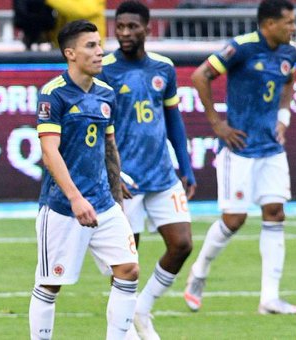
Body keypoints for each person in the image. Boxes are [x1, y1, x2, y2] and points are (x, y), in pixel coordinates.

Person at [184, 0, 296, 315]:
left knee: (275, 213)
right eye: (288, 22)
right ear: (269, 24)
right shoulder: (242, 48)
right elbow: (200, 76)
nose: (293, 27)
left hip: (271, 148)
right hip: (239, 149)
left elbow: (289, 82)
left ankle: (269, 298)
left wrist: (284, 117)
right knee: (234, 220)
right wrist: (216, 123)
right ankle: (199, 272)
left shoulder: (289, 53)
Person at [29, 19, 139, 340]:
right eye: (91, 46)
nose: (100, 51)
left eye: (100, 44)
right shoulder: (54, 95)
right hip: (63, 207)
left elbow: (109, 144)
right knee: (50, 283)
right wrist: (76, 198)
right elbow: (50, 153)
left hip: (104, 203)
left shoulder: (106, 93)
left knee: (129, 270)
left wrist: (115, 184)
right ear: (70, 53)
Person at [97, 1, 196, 338]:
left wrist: (186, 167)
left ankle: (143, 306)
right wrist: (111, 175)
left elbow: (173, 120)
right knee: (126, 264)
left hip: (163, 174)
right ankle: (124, 330)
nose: (124, 33)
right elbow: (96, 127)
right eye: (120, 27)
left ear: (147, 28)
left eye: (132, 27)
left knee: (182, 244)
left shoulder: (164, 68)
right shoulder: (105, 70)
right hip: (127, 180)